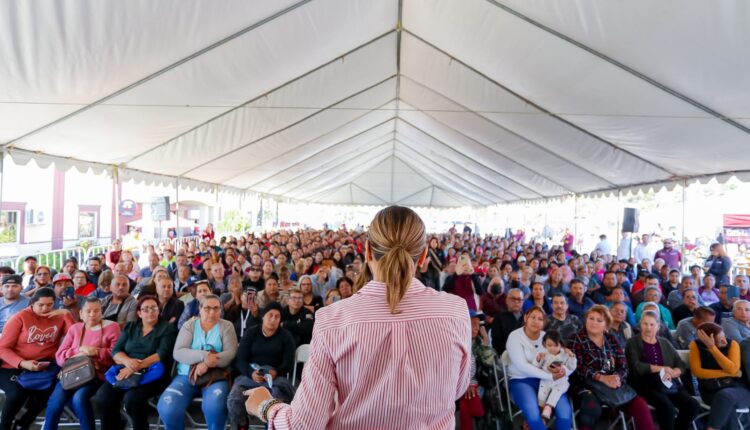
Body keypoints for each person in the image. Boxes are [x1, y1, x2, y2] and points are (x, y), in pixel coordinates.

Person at [243, 206, 472, 428]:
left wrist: (266, 405)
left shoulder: (333, 319)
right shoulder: (455, 311)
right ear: (423, 256)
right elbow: (458, 387)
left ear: (368, 251)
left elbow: (305, 424)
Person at [93, 295, 177, 430]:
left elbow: (161, 354)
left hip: (153, 373)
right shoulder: (131, 327)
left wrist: (134, 367)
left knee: (132, 400)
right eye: (146, 309)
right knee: (103, 398)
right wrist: (128, 362)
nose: (150, 311)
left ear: (158, 310)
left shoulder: (167, 328)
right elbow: (116, 351)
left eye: (153, 308)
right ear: (139, 313)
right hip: (125, 369)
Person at [156, 294, 238, 430]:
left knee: (215, 407)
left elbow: (230, 353)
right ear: (200, 309)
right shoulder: (190, 325)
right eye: (207, 308)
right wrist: (204, 356)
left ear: (221, 310)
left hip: (216, 376)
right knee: (168, 407)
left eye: (216, 308)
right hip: (186, 375)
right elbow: (179, 352)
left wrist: (207, 364)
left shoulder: (226, 326)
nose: (212, 312)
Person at [570, 305, 655, 430]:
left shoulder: (611, 339)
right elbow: (577, 368)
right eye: (591, 318)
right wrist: (601, 378)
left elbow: (623, 365)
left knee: (640, 406)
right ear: (585, 320)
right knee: (591, 409)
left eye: (599, 320)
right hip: (587, 385)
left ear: (606, 325)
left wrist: (617, 378)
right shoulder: (576, 339)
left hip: (612, 384)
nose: (594, 322)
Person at [0, 288, 75, 430]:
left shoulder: (59, 316)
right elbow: (2, 348)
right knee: (17, 393)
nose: (45, 308)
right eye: (41, 305)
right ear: (32, 303)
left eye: (49, 304)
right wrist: (22, 363)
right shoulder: (19, 317)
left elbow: (75, 338)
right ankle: (4, 426)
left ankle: (23, 424)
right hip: (12, 366)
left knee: (50, 390)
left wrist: (67, 314)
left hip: (44, 366)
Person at [43, 297, 121, 430]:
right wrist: (79, 350)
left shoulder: (112, 327)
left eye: (96, 311)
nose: (92, 314)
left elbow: (116, 355)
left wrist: (96, 352)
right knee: (55, 403)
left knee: (78, 399)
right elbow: (59, 357)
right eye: (88, 311)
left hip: (96, 375)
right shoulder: (75, 328)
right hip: (71, 374)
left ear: (101, 312)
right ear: (81, 313)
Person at [625, 310, 699, 430]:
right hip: (645, 384)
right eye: (645, 324)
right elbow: (636, 367)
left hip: (668, 382)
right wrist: (662, 368)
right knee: (667, 408)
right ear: (640, 325)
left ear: (658, 327)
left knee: (692, 405)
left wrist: (674, 372)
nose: (648, 328)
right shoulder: (632, 343)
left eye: (652, 324)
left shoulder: (664, 342)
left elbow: (680, 364)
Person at [227, 302, 296, 429]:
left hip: (274, 378)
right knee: (235, 399)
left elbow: (288, 364)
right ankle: (241, 425)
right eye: (270, 315)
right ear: (263, 316)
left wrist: (276, 372)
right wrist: (251, 373)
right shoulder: (251, 333)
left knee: (274, 401)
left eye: (277, 316)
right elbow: (240, 360)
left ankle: (270, 426)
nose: (273, 319)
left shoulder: (286, 336)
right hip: (251, 375)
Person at [505, 307, 573, 430]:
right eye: (533, 317)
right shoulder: (514, 336)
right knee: (534, 416)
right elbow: (522, 366)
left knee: (565, 415)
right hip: (522, 380)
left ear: (544, 323)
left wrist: (563, 370)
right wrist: (549, 375)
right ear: (526, 318)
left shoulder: (547, 337)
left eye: (540, 319)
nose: (536, 321)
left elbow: (565, 359)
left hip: (550, 382)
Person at [689, 322, 750, 430]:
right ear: (706, 340)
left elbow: (732, 368)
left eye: (724, 336)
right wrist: (728, 373)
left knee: (724, 397)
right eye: (720, 339)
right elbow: (697, 372)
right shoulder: (696, 345)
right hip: (710, 390)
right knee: (725, 404)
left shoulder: (733, 344)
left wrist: (713, 348)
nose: (725, 341)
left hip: (738, 389)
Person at [534, 330, 577, 420]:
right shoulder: (544, 354)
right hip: (547, 380)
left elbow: (572, 367)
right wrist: (539, 359)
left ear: (560, 344)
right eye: (549, 345)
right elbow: (536, 368)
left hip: (561, 382)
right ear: (545, 344)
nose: (552, 348)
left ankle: (548, 407)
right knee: (541, 396)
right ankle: (541, 413)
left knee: (556, 393)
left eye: (555, 345)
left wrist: (572, 356)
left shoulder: (565, 354)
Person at [491, 288, 525, 355]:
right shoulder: (499, 318)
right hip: (507, 354)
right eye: (513, 299)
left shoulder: (527, 318)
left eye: (519, 299)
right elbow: (496, 343)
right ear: (507, 300)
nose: (516, 302)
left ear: (523, 302)